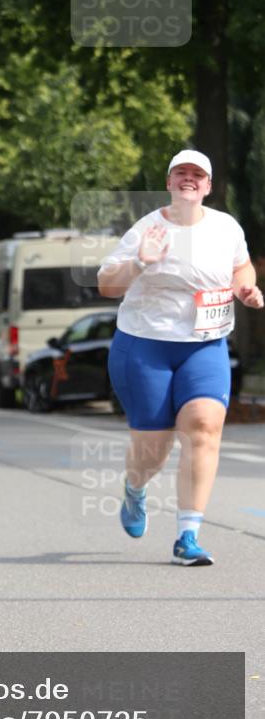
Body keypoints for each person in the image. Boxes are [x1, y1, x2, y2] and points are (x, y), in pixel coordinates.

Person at [98, 148, 263, 566]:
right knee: (154, 448)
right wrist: (139, 262)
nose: (189, 179)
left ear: (208, 186)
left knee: (205, 427)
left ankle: (188, 535)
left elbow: (242, 268)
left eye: (198, 175)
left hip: (206, 345)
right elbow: (106, 284)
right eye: (181, 173)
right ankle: (135, 488)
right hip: (145, 346)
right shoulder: (147, 228)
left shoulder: (226, 228)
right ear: (170, 182)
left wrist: (245, 288)